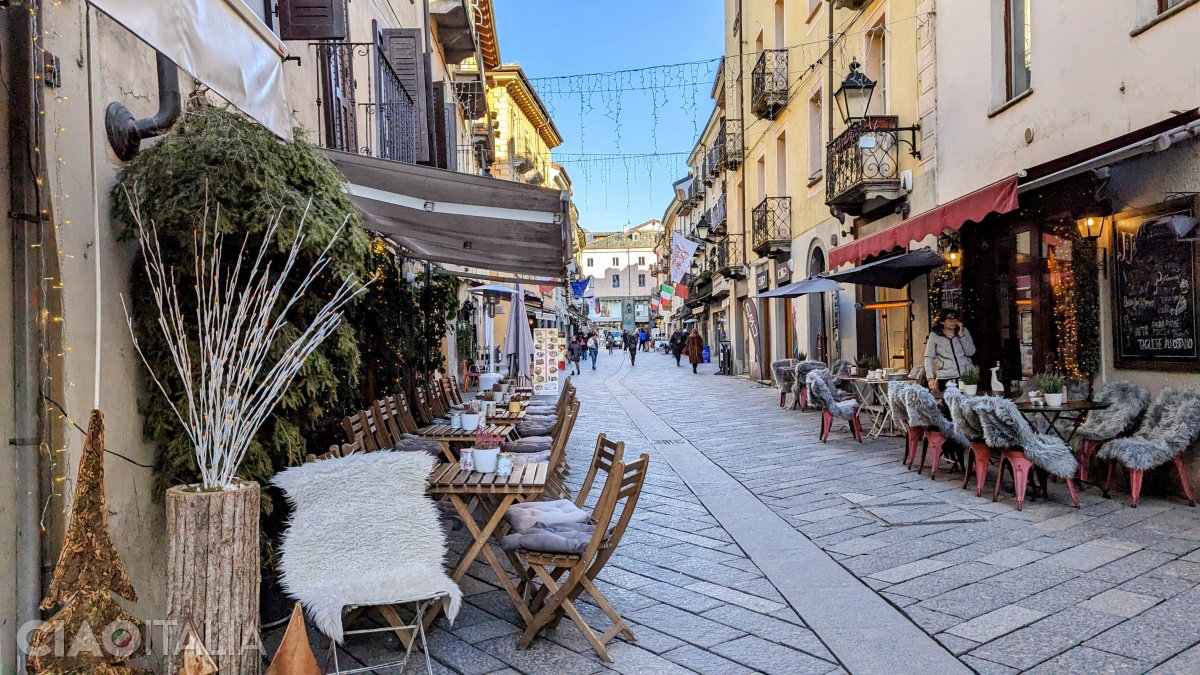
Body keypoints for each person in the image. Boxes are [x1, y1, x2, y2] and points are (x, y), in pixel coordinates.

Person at [924, 309, 976, 393]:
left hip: (966, 376)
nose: (953, 321)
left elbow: (971, 352)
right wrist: (930, 378)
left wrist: (961, 336)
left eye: (955, 319)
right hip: (946, 377)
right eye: (950, 319)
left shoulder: (964, 331)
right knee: (948, 403)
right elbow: (929, 357)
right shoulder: (934, 335)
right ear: (942, 321)